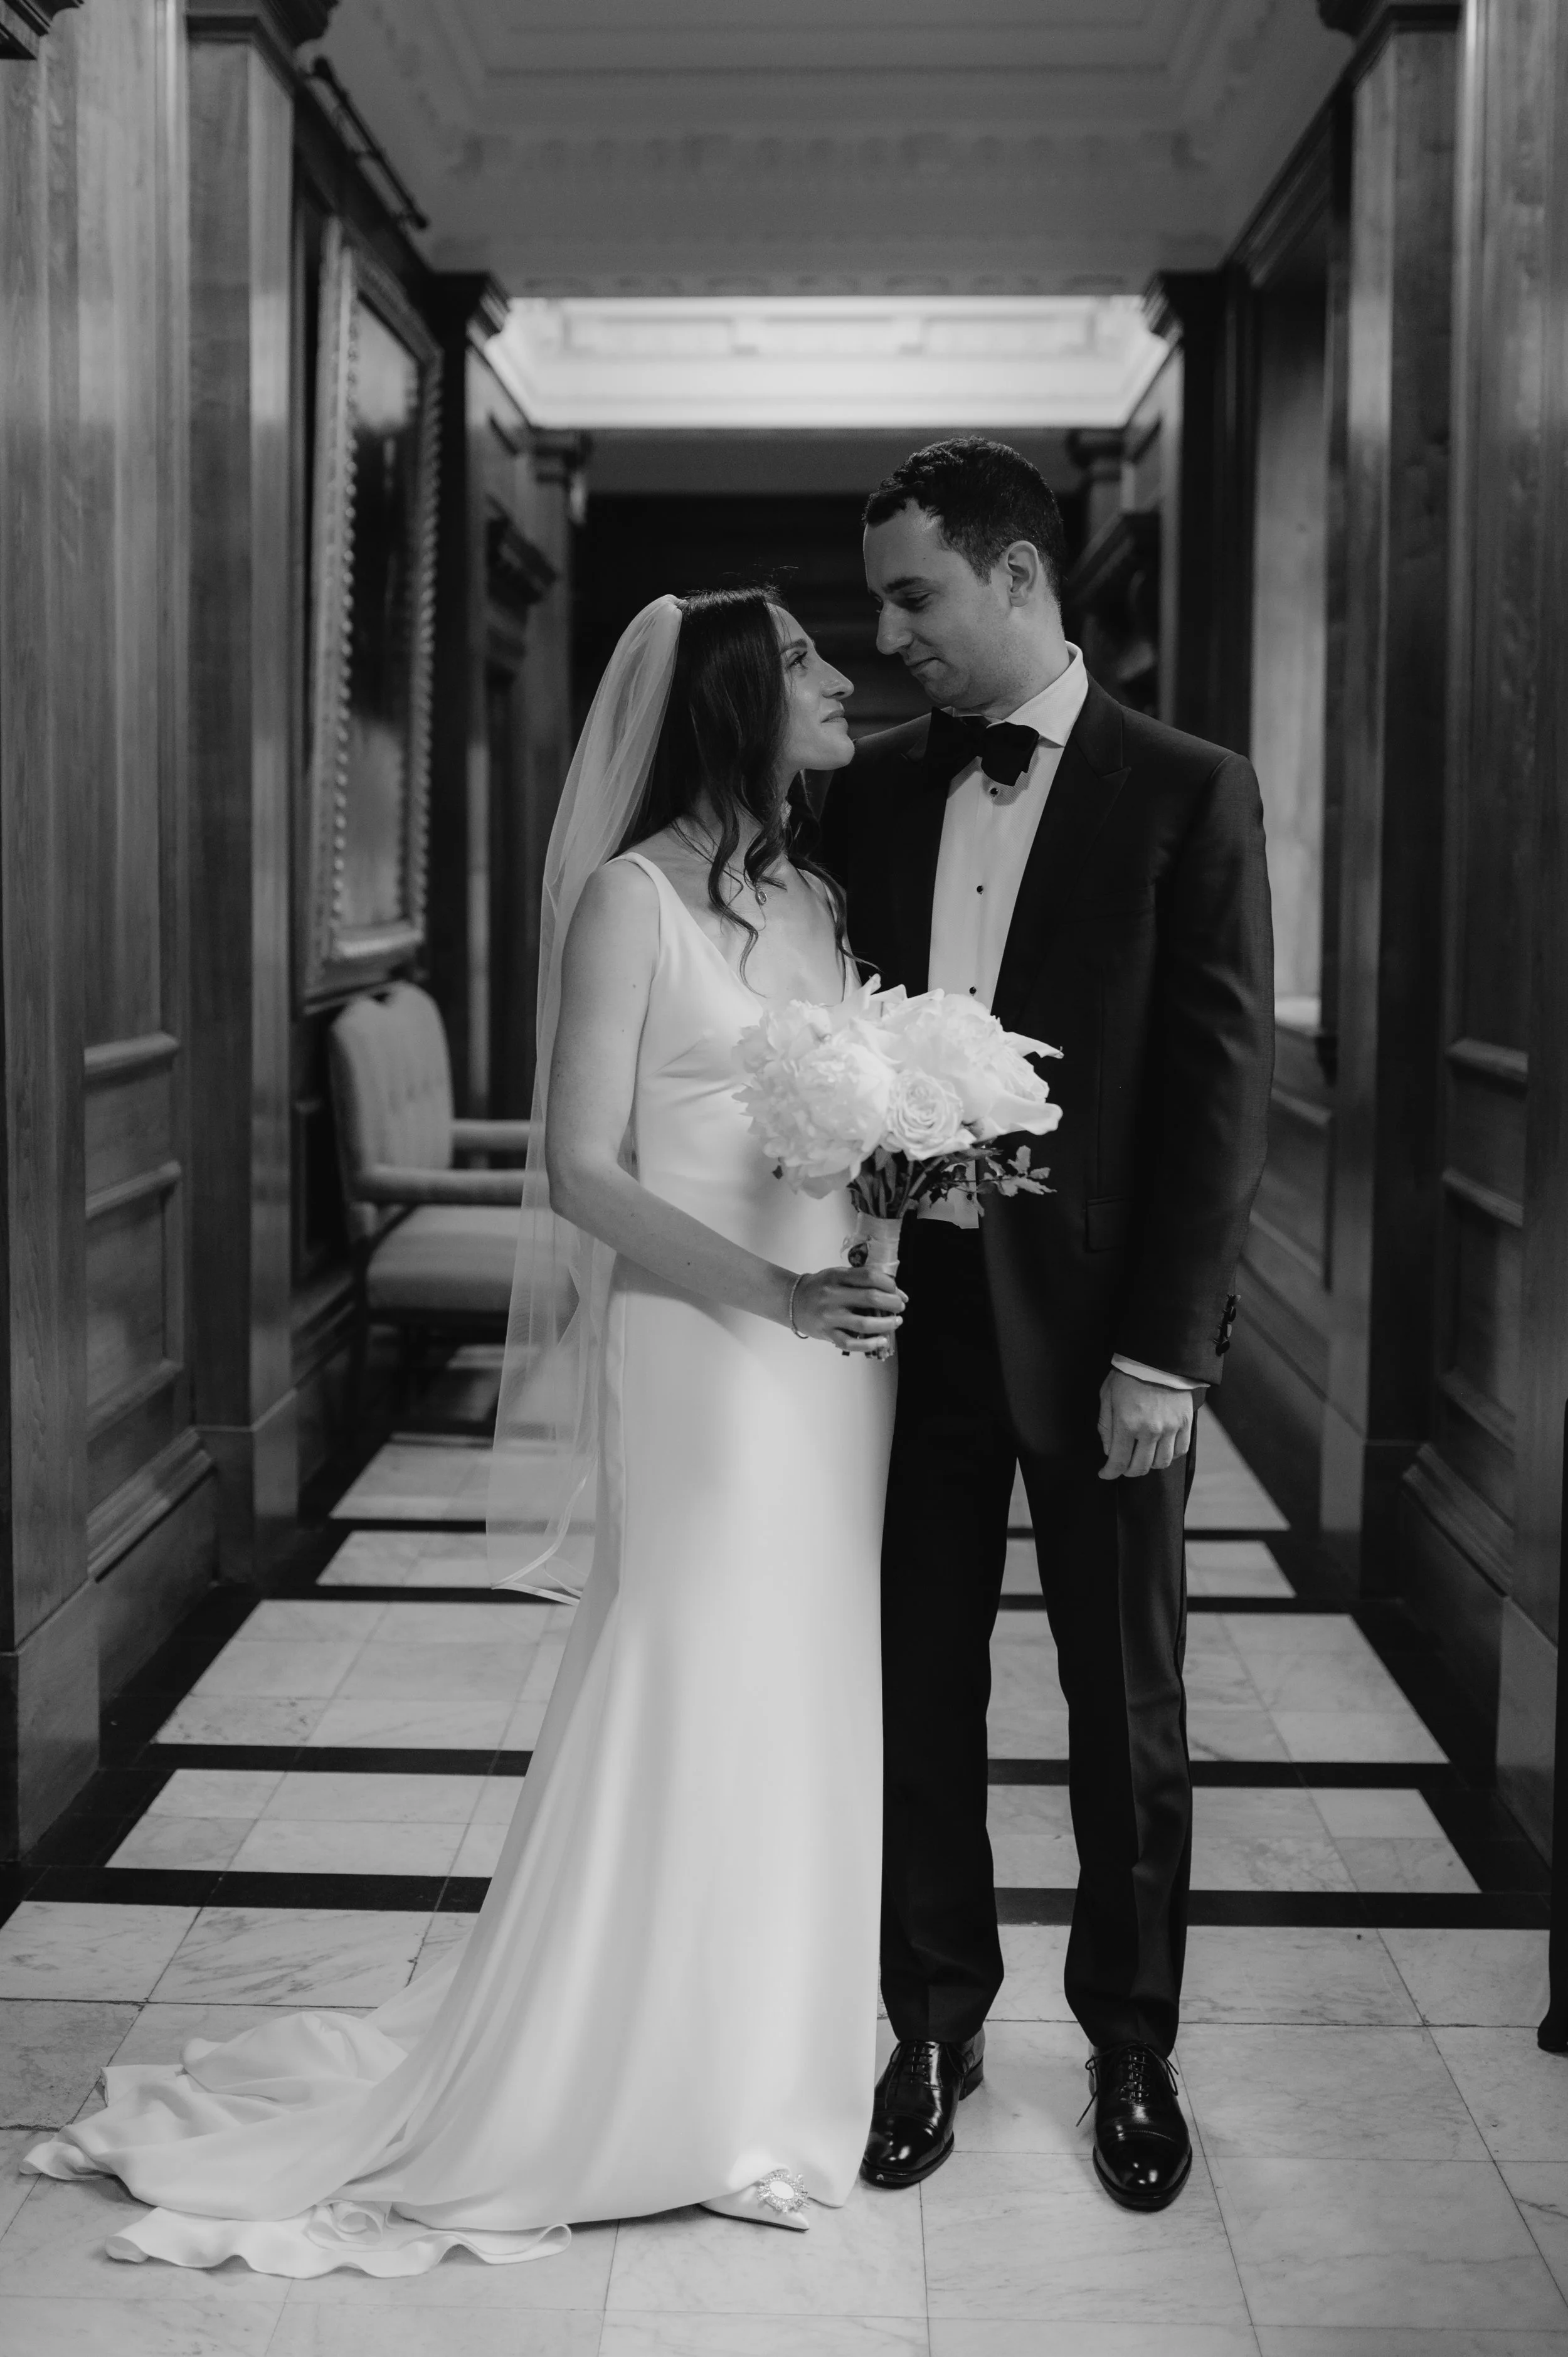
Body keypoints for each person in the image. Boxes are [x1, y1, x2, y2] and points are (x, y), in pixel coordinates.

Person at [23, 588, 904, 2273]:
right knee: (686, 1671)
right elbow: (583, 1171)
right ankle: (633, 2078)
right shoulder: (629, 904)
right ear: (732, 697)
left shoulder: (812, 895)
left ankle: (773, 2058)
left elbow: (835, 1121)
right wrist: (775, 1300)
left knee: (803, 1678)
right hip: (705, 1356)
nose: (837, 677)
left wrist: (890, 1200)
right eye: (801, 658)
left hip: (822, 1358)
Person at [816, 437, 1274, 2211]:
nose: (888, 632)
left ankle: (1130, 2046)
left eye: (914, 593)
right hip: (907, 1328)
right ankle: (929, 2018)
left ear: (1016, 579)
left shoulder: (1186, 788)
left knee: (1126, 1700)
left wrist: (1168, 1349)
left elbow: (1217, 1097)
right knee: (914, 1686)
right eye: (872, 599)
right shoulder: (863, 798)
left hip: (1107, 1348)